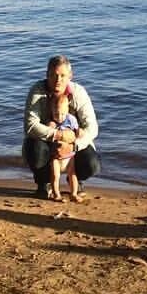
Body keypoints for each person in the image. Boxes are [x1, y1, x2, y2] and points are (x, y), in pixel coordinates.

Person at [23, 54, 100, 199]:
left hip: (73, 144)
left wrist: (73, 145)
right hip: (46, 141)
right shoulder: (37, 91)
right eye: (54, 75)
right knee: (35, 150)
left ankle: (77, 181)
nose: (58, 80)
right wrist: (58, 135)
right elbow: (30, 126)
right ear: (47, 75)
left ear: (70, 76)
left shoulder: (79, 93)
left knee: (93, 165)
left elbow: (92, 128)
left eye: (63, 75)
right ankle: (43, 183)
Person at [47, 90, 84, 202]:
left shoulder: (71, 119)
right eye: (56, 114)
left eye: (62, 114)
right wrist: (51, 125)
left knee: (72, 174)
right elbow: (48, 129)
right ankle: (56, 194)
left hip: (69, 155)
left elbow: (77, 131)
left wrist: (79, 132)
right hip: (56, 157)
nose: (60, 117)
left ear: (67, 110)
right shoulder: (53, 121)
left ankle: (73, 193)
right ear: (52, 112)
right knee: (55, 176)